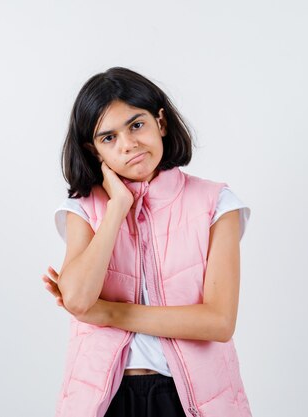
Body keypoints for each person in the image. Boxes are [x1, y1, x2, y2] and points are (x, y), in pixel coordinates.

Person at [41, 67, 253, 417]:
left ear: (161, 123)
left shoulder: (217, 203)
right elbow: (78, 300)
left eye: (136, 125)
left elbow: (218, 322)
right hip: (104, 401)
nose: (129, 144)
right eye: (108, 138)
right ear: (94, 152)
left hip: (190, 401)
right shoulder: (84, 208)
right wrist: (116, 209)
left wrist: (108, 312)